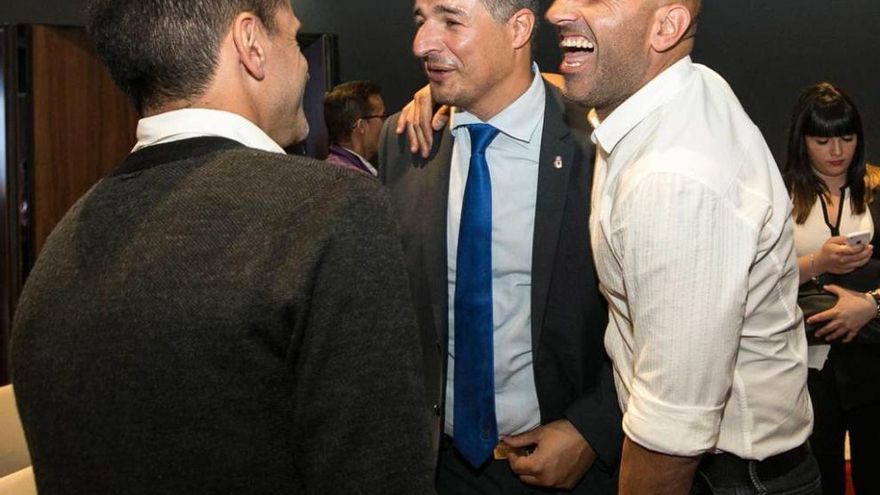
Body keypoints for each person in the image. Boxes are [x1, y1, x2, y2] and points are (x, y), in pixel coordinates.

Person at [10, 1, 434, 493]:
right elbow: (382, 474)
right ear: (251, 44)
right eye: (294, 41)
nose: (303, 65)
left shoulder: (59, 250)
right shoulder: (331, 211)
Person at [543, 0, 820, 493]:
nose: (556, 11)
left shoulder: (673, 179)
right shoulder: (680, 91)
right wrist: (464, 92)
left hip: (722, 481)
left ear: (667, 26)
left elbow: (668, 437)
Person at [378, 0, 622, 493]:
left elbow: (651, 321)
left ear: (518, 28)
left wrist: (592, 430)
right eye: (421, 21)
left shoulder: (598, 144)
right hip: (436, 466)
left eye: (450, 21)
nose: (422, 43)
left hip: (565, 463)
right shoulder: (407, 140)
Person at [782, 82, 880, 495]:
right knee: (818, 474)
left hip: (874, 357)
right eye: (822, 140)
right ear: (803, 142)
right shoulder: (778, 193)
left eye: (846, 137)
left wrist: (871, 306)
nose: (837, 151)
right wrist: (816, 264)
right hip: (807, 362)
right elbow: (753, 278)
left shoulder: (875, 187)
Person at [324, 80, 386, 176]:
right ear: (361, 126)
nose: (385, 123)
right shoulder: (352, 180)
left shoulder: (331, 168)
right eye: (381, 116)